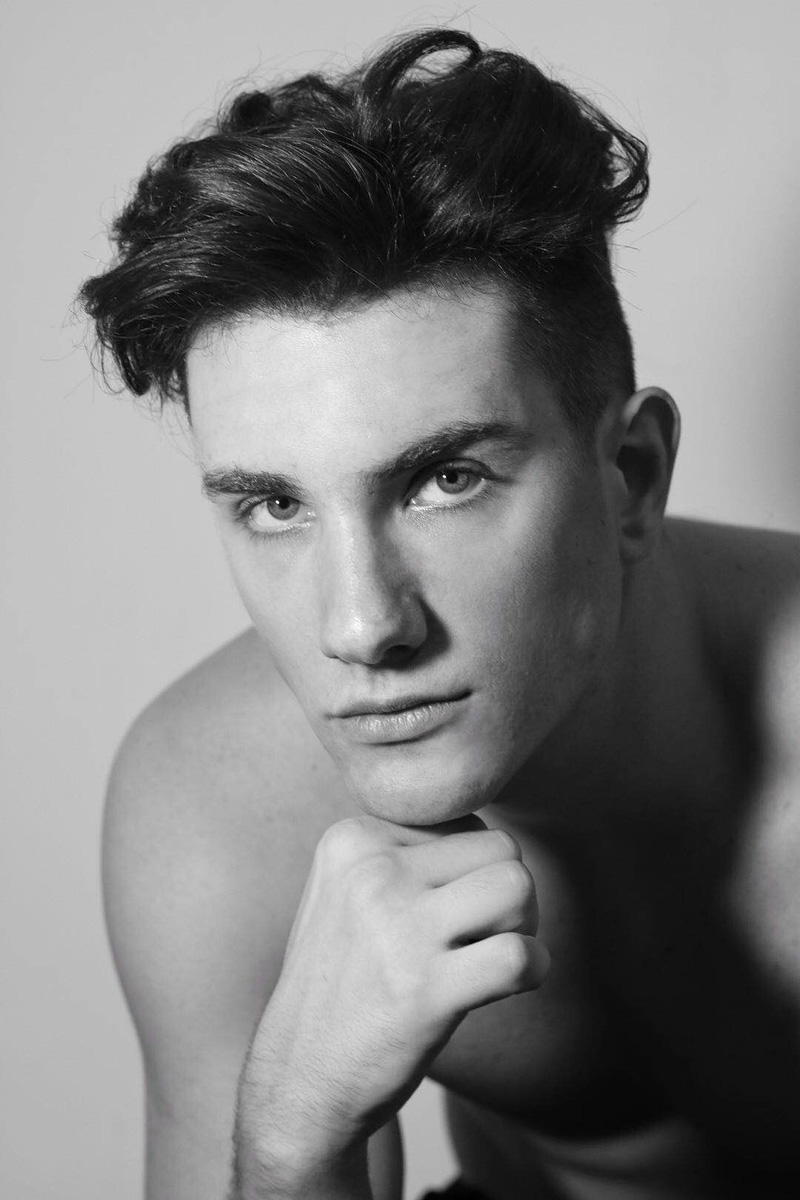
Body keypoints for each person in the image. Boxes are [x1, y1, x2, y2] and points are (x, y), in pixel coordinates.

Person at [80, 27, 800, 1200]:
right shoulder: (218, 806)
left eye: (445, 480)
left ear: (628, 478)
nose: (362, 629)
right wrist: (295, 1132)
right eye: (274, 505)